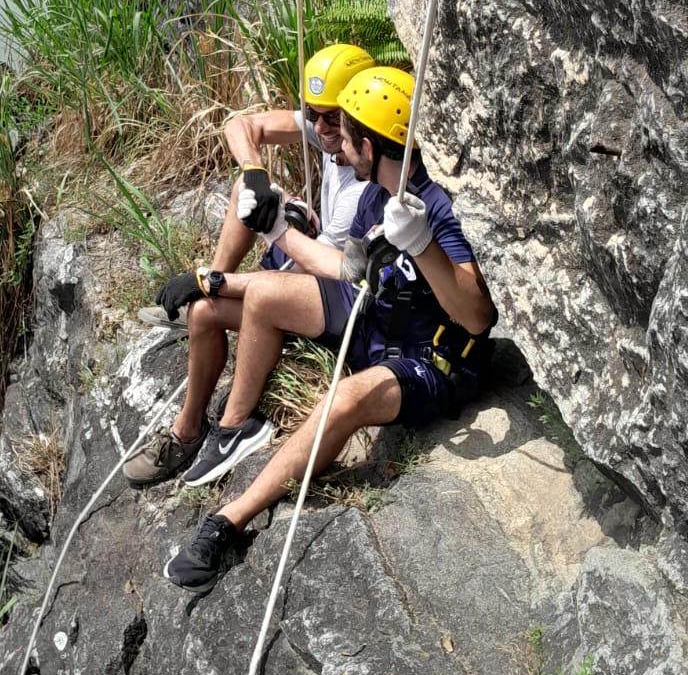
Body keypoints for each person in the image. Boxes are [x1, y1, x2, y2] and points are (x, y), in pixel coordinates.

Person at [158, 67, 497, 591]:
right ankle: (231, 430)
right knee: (266, 294)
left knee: (344, 397)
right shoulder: (373, 199)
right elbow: (346, 270)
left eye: (343, 134)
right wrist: (259, 242)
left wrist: (424, 244)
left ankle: (228, 521)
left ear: (367, 143)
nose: (334, 145)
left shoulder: (432, 208)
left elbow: (476, 316)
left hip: (428, 361)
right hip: (375, 322)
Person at [125, 44, 375, 486]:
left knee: (230, 299)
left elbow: (330, 271)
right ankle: (189, 429)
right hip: (319, 270)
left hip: (340, 294)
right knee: (246, 197)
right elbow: (241, 124)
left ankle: (221, 427)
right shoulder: (331, 132)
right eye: (313, 115)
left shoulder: (363, 183)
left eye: (331, 118)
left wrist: (217, 281)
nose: (319, 128)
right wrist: (256, 175)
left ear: (356, 117)